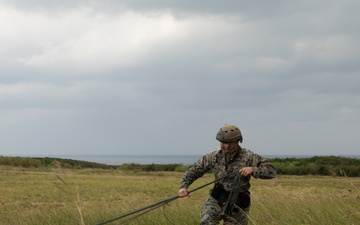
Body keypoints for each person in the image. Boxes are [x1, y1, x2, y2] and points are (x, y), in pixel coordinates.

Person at [178, 124, 276, 225]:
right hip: (217, 198)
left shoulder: (249, 157)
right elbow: (194, 171)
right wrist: (183, 187)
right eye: (221, 142)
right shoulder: (214, 156)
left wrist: (253, 169)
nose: (222, 145)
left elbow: (271, 171)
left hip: (239, 203)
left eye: (226, 142)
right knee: (206, 222)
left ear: (237, 141)